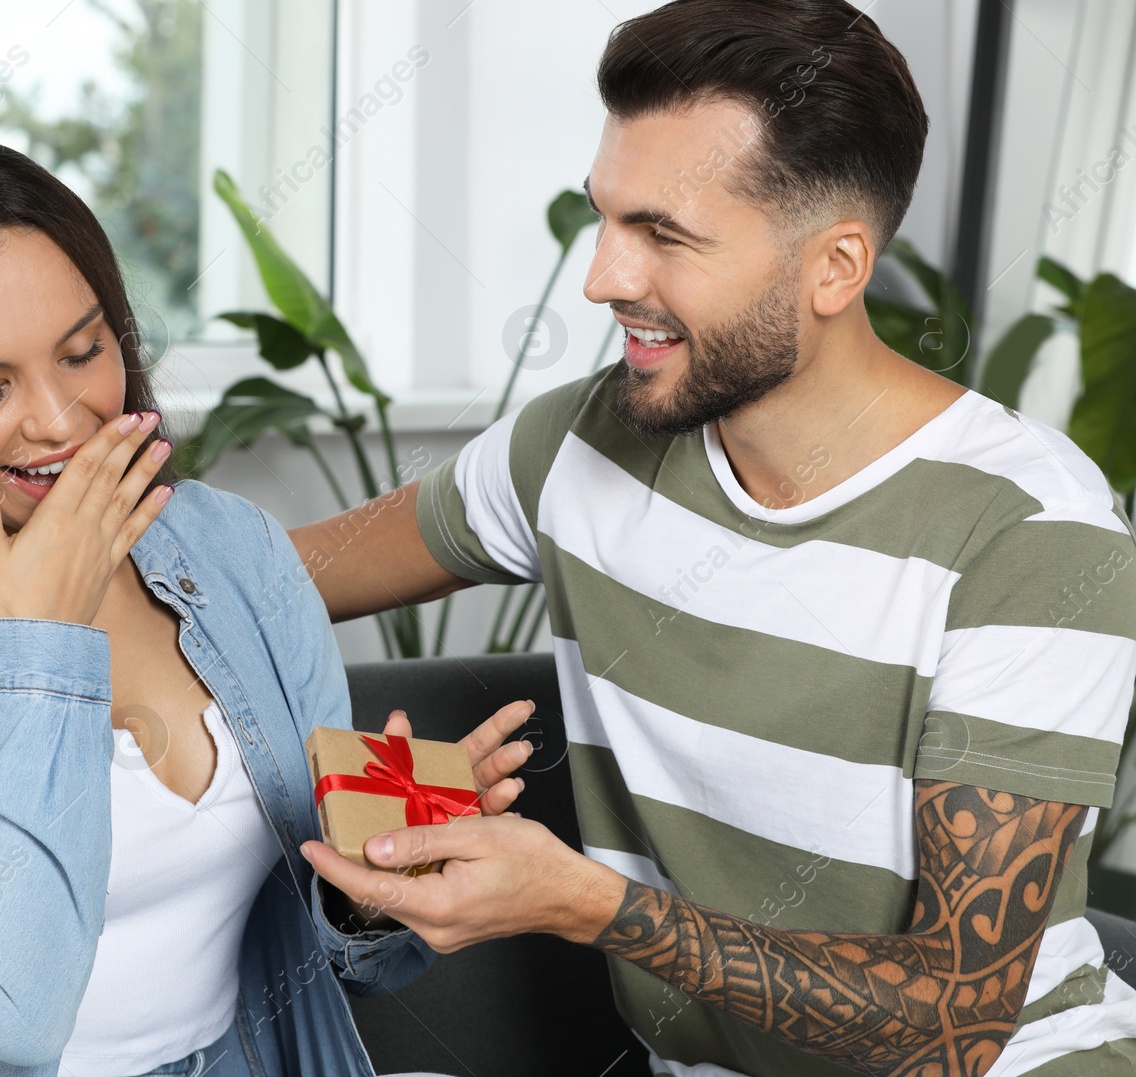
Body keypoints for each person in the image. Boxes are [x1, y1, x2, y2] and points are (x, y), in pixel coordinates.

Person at [292, 1, 1136, 1074]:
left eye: (664, 235)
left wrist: (592, 906)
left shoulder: (1027, 533)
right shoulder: (577, 447)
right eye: (607, 218)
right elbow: (269, 577)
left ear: (834, 267)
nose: (603, 277)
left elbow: (955, 1022)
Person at [0, 134, 530, 1077]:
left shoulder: (240, 551)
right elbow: (10, 1003)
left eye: (83, 351)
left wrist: (380, 873)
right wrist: (40, 643)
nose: (61, 420)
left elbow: (354, 962)